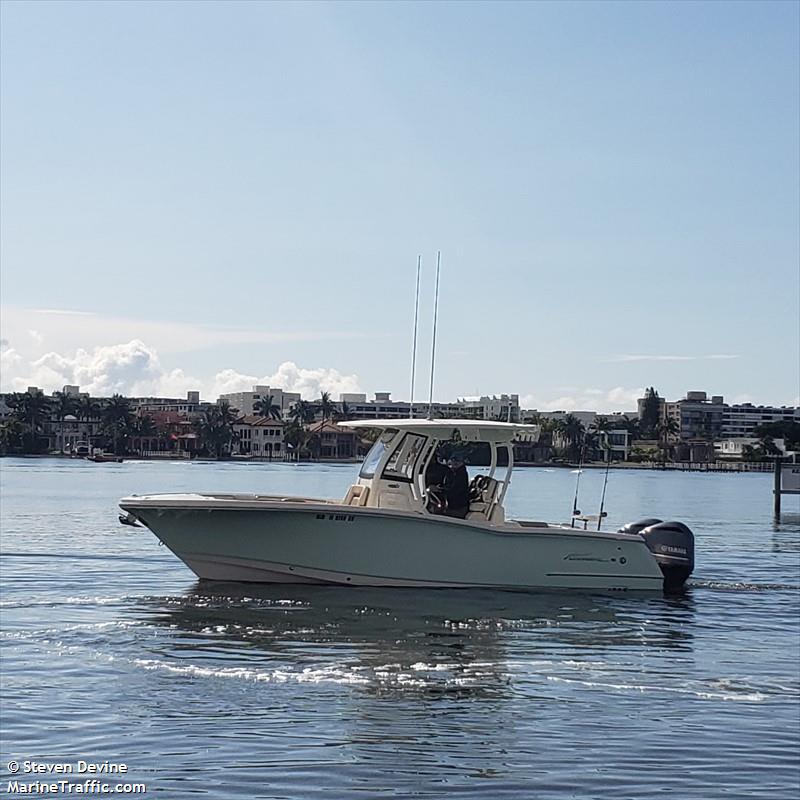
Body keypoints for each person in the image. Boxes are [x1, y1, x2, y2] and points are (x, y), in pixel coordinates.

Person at [444, 454, 470, 518]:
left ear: (462, 462)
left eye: (458, 461)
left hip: (459, 507)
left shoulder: (461, 474)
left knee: (440, 512)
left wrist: (441, 490)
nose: (455, 462)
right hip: (455, 505)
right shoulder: (454, 473)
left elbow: (455, 489)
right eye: (453, 460)